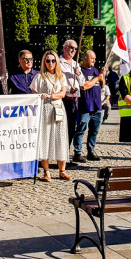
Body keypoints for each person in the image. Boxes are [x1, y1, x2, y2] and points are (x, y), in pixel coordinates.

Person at [31, 51, 70, 180]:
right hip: (45, 109)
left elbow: (63, 93)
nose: (50, 63)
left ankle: (62, 170)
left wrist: (52, 96)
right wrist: (42, 97)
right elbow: (34, 94)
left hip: (58, 108)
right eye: (47, 61)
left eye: (53, 61)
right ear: (44, 62)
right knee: (45, 138)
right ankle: (46, 171)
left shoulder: (61, 76)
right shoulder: (39, 77)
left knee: (61, 138)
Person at [72, 50, 105, 162]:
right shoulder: (80, 71)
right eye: (92, 59)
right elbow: (84, 86)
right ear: (86, 58)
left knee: (94, 131)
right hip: (85, 107)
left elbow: (102, 85)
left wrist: (102, 76)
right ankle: (77, 153)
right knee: (81, 130)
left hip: (97, 106)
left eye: (95, 59)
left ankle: (91, 151)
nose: (94, 61)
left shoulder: (95, 70)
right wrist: (97, 78)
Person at [58, 40, 82, 146]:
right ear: (65, 48)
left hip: (75, 100)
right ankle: (62, 156)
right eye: (71, 47)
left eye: (75, 48)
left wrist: (79, 73)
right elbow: (55, 82)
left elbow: (82, 82)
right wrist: (67, 90)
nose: (74, 50)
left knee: (72, 128)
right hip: (64, 100)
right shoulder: (58, 63)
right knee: (62, 129)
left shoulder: (75, 63)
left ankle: (66, 154)